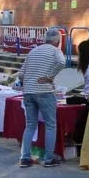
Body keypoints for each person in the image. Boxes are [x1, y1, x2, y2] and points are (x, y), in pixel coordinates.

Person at [18, 29, 66, 168]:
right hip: (44, 91)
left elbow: (21, 74)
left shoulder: (33, 51)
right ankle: (48, 158)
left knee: (30, 125)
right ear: (57, 41)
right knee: (50, 124)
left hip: (28, 92)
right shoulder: (55, 51)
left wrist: (30, 79)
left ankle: (25, 158)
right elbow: (62, 63)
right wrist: (50, 76)